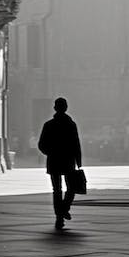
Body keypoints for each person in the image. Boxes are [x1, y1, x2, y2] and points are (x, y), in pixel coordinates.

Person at [38, 97, 82, 230]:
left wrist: (51, 152)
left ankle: (59, 216)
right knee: (72, 188)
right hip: (68, 160)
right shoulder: (71, 124)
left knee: (56, 190)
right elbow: (76, 144)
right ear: (66, 108)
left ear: (55, 108)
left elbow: (41, 144)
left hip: (54, 161)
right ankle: (64, 209)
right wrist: (78, 160)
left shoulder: (48, 125)